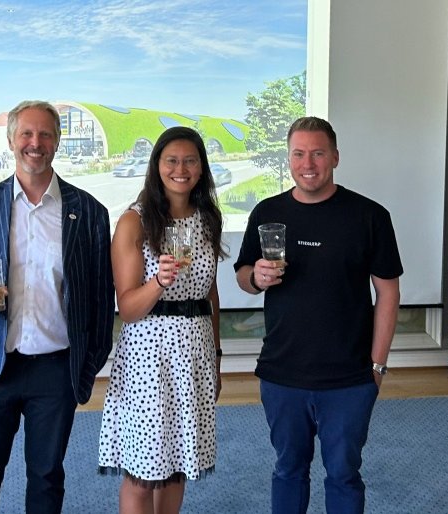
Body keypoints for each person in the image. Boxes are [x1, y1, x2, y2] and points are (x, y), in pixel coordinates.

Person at [0, 100, 115, 514]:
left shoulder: (89, 212)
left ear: (58, 143)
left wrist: (86, 365)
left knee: (46, 478)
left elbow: (100, 298)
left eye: (45, 135)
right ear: (10, 140)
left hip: (55, 371)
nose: (35, 143)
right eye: (26, 134)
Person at [234, 116, 402, 513]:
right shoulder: (266, 212)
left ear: (335, 157)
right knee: (288, 469)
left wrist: (377, 367)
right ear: (289, 158)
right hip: (282, 373)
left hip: (349, 377)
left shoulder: (369, 215)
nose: (307, 163)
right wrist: (255, 278)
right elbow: (243, 275)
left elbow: (388, 292)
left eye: (318, 153)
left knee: (343, 473)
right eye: (298, 153)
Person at [98, 126, 226, 514]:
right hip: (149, 361)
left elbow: (209, 293)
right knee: (141, 473)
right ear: (156, 167)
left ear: (202, 168)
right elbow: (130, 309)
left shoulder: (207, 218)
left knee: (176, 468)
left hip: (195, 357)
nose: (180, 169)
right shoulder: (134, 222)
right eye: (171, 160)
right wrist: (159, 281)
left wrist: (216, 357)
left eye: (190, 160)